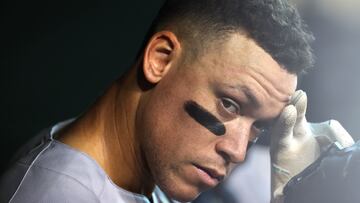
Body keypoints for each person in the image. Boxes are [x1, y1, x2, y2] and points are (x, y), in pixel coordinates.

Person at [0, 0, 354, 202]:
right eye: (229, 104)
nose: (239, 152)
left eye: (259, 126)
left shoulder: (141, 173)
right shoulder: (61, 196)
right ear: (161, 59)